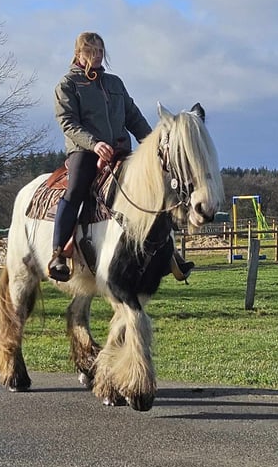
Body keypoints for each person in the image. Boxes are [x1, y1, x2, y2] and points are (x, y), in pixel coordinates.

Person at [47, 31, 194, 282]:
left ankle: (169, 252)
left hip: (120, 150)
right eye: (91, 51)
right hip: (84, 152)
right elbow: (68, 123)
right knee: (75, 191)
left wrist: (151, 144)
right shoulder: (67, 85)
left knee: (157, 190)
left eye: (101, 51)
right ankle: (59, 252)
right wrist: (94, 144)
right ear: (78, 54)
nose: (97, 56)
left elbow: (133, 116)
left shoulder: (115, 84)